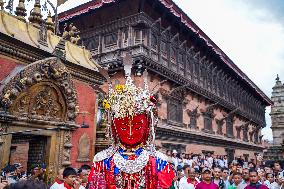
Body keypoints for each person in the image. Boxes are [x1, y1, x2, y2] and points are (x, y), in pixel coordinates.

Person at [87, 59, 175, 189]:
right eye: (123, 126)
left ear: (147, 127)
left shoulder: (159, 162)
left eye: (137, 126)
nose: (129, 133)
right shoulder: (102, 161)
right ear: (114, 127)